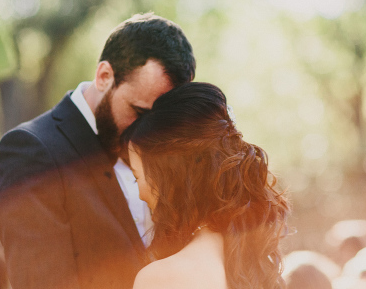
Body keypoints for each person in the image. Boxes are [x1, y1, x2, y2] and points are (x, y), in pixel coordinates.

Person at [0, 13, 195, 289]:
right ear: (104, 76)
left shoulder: (163, 159)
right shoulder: (32, 150)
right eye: (139, 112)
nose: (147, 134)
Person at [123, 82, 290, 289]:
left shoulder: (159, 278)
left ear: (169, 177)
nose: (140, 194)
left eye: (137, 177)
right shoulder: (256, 266)